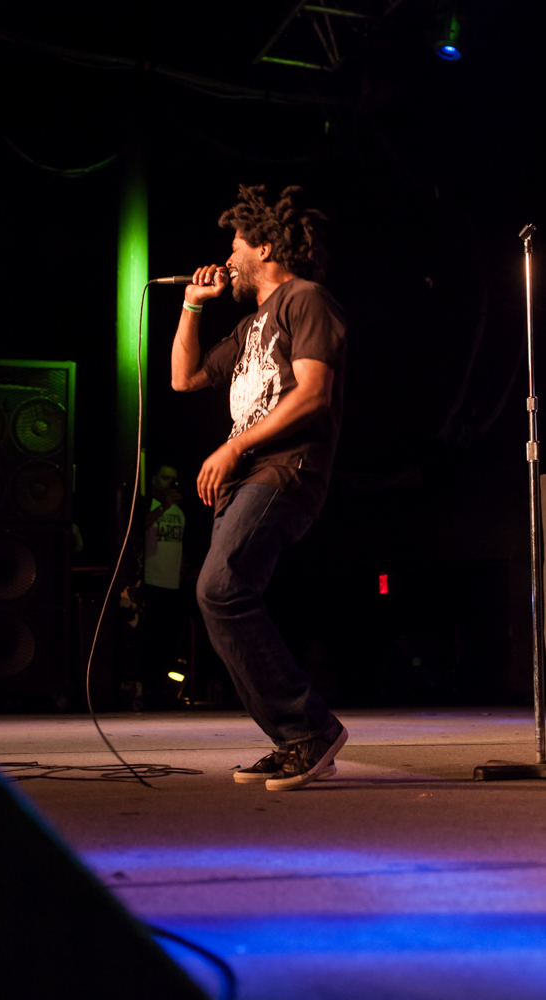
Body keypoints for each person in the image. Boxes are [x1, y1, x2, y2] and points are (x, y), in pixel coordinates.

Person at [171, 184, 348, 791]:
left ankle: (310, 730)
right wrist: (194, 305)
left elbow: (312, 392)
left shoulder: (307, 300)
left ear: (264, 245)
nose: (228, 254)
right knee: (217, 594)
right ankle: (294, 737)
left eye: (236, 243)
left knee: (220, 588)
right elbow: (184, 377)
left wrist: (233, 446)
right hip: (247, 478)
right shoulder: (251, 325)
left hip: (284, 469)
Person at [142, 462, 186, 706]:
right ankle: (149, 689)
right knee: (152, 641)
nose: (170, 482)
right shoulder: (149, 505)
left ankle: (166, 692)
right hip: (153, 582)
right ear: (155, 481)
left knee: (170, 643)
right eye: (165, 478)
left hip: (172, 585)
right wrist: (164, 507)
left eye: (173, 478)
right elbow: (141, 527)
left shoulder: (179, 512)